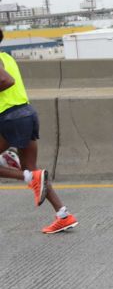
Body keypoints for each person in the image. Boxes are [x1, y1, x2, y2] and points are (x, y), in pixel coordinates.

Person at [0, 28, 78, 234]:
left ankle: (24, 175)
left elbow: (6, 81)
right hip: (26, 113)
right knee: (35, 173)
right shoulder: (5, 56)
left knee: (31, 175)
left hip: (10, 118)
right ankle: (63, 214)